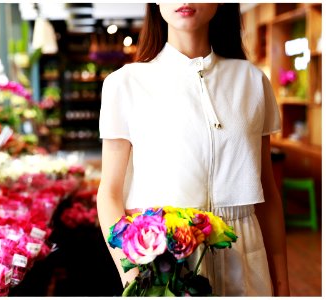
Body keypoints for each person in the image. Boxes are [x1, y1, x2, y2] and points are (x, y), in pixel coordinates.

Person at [97, 3, 290, 296]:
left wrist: (281, 285)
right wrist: (137, 281)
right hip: (166, 268)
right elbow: (109, 194)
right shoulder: (124, 84)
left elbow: (267, 194)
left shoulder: (252, 81)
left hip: (248, 263)